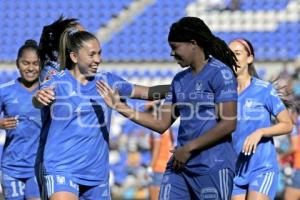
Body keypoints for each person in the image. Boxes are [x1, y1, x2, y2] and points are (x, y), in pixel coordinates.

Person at [98, 16, 239, 199]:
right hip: (181, 166)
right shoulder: (179, 81)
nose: (172, 54)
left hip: (213, 165)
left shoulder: (221, 73)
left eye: (175, 47)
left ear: (193, 43)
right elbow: (161, 123)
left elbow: (229, 124)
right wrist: (119, 106)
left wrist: (188, 148)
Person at [228, 38, 293, 200]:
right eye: (229, 54)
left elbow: (287, 124)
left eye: (237, 53)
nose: (232, 58)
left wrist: (261, 132)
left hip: (262, 168)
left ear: (249, 58)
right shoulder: (224, 93)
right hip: (235, 169)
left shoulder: (264, 90)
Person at [0, 40, 41, 200]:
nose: (30, 68)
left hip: (38, 167)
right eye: (25, 63)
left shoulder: (48, 91)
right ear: (17, 64)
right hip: (11, 166)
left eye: (35, 63)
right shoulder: (4, 91)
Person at [146, 101, 174, 200]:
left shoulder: (155, 127)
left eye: (150, 110)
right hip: (167, 167)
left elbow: (156, 150)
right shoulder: (167, 127)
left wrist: (150, 167)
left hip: (158, 168)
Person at [283, 107, 300, 200]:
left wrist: (280, 157)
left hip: (298, 168)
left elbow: (294, 147)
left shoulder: (294, 126)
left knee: (289, 196)